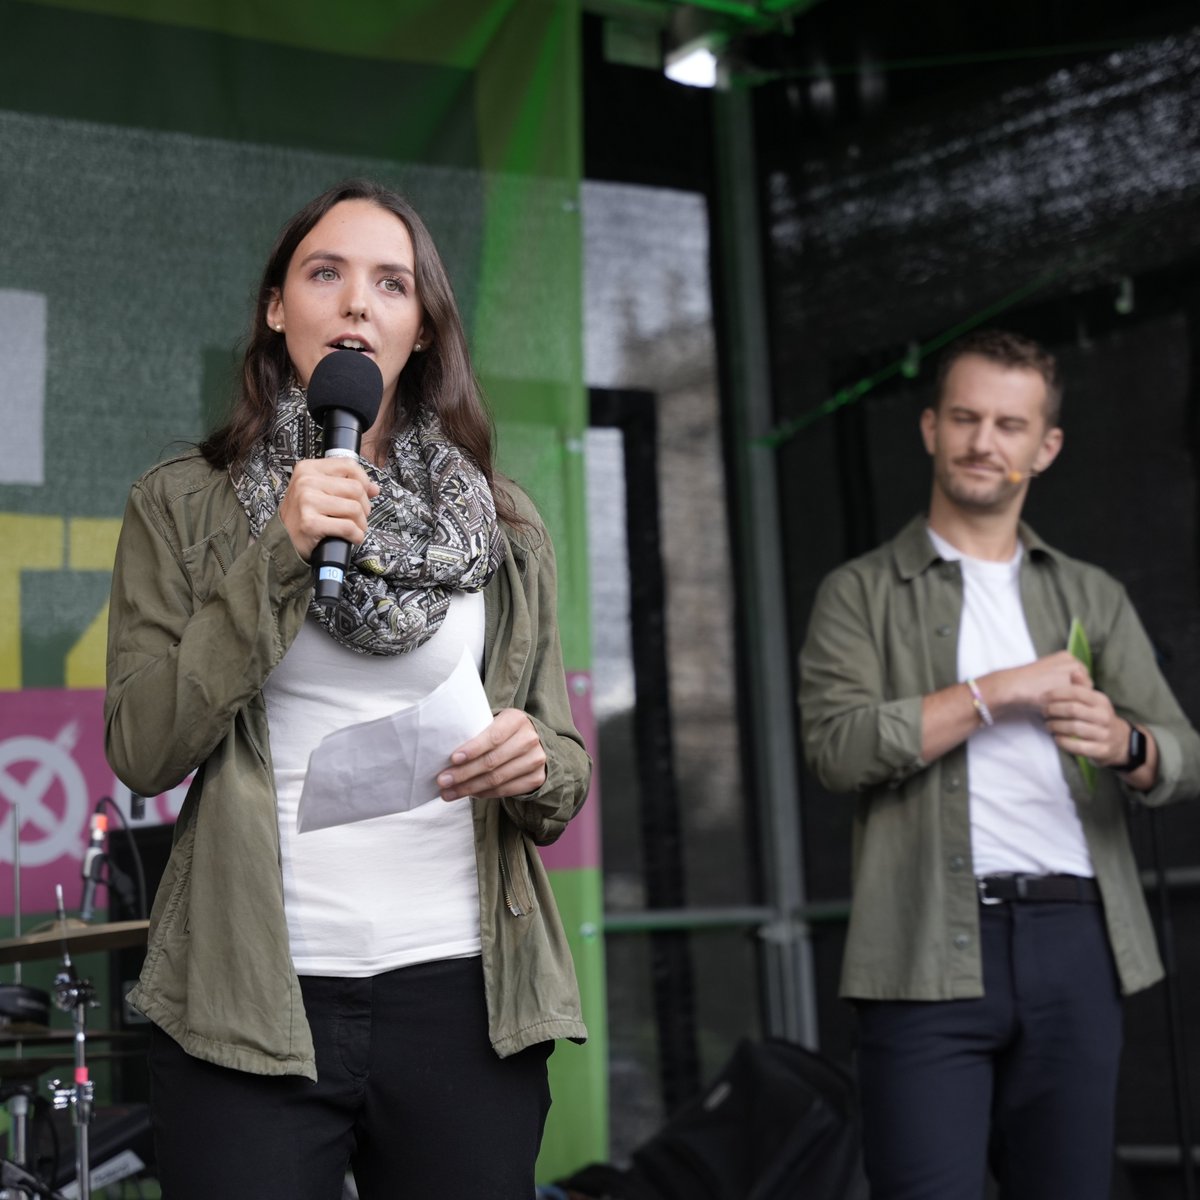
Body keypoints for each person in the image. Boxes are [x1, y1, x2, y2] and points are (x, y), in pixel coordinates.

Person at [104, 179, 591, 1199]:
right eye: (326, 273)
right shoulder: (181, 504)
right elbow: (144, 747)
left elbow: (563, 765)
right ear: (279, 309)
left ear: (422, 330)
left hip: (465, 996)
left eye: (392, 283)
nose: (358, 302)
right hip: (251, 1003)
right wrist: (279, 549)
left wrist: (534, 760)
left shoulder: (503, 525)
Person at [798, 329, 1200, 1200]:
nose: (986, 442)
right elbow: (835, 749)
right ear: (930, 428)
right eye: (967, 419)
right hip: (921, 945)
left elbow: (1184, 756)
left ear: (1044, 447)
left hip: (1076, 937)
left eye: (1010, 425)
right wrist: (992, 692)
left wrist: (1127, 743)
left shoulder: (1092, 594)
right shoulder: (859, 593)